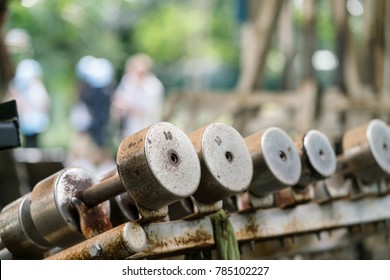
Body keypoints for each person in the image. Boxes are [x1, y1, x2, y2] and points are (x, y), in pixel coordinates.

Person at [111, 53, 165, 139]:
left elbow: (150, 110)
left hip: (148, 131)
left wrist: (128, 108)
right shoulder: (128, 80)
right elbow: (119, 98)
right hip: (128, 129)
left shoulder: (154, 86)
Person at [7, 59, 51, 147]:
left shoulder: (35, 88)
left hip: (33, 122)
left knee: (32, 145)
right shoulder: (32, 87)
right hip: (28, 123)